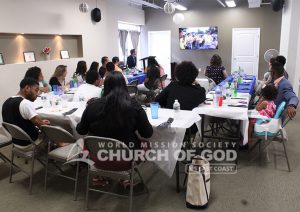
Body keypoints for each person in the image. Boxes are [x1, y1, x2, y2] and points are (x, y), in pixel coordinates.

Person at [76, 71, 153, 150]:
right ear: (124, 86)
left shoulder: (92, 106)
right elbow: (147, 133)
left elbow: (81, 130)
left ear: (105, 86)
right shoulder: (135, 107)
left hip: (98, 154)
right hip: (126, 155)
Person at [156, 61, 206, 133]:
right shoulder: (199, 91)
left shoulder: (172, 85)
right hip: (189, 128)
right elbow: (202, 97)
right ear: (194, 76)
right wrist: (197, 84)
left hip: (170, 124)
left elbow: (157, 99)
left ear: (177, 75)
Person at [2, 78, 50, 151]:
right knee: (51, 130)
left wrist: (41, 122)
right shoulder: (25, 103)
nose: (37, 94)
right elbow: (42, 126)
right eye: (36, 90)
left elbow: (18, 121)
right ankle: (56, 150)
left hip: (16, 142)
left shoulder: (7, 101)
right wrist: (43, 123)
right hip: (30, 143)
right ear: (27, 88)